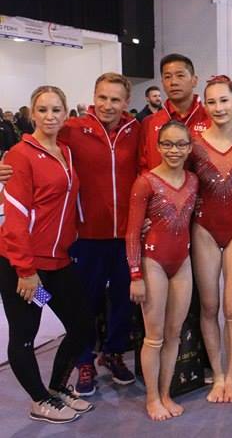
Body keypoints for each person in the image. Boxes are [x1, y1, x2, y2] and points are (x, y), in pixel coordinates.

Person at [0, 86, 93, 423]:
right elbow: (15, 216)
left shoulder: (65, 151)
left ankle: (56, 388)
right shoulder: (20, 155)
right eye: (42, 110)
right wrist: (25, 270)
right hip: (25, 269)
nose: (50, 116)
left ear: (66, 114)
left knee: (81, 325)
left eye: (56, 110)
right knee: (26, 333)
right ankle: (40, 400)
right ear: (32, 113)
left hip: (57, 264)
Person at [57, 73, 140, 396]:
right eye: (102, 97)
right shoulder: (72, 130)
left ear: (126, 102)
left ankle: (114, 352)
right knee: (85, 303)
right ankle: (83, 360)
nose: (108, 105)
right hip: (87, 236)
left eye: (115, 99)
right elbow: (40, 147)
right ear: (94, 97)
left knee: (123, 299)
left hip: (126, 236)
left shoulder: (135, 130)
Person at [187, 76, 232, 403]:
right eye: (211, 102)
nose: (218, 108)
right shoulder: (194, 144)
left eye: (224, 100)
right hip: (204, 228)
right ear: (204, 105)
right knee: (210, 306)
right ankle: (217, 374)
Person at [127, 120, 198, 421]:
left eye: (180, 144)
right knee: (154, 337)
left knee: (174, 334)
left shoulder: (193, 181)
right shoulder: (146, 182)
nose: (174, 150)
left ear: (190, 148)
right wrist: (135, 275)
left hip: (182, 262)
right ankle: (152, 398)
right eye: (167, 144)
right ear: (157, 146)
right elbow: (132, 233)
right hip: (153, 262)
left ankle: (166, 393)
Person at [139, 53, 210, 171]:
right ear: (162, 83)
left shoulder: (211, 120)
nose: (173, 82)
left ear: (194, 80)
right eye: (167, 77)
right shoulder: (149, 123)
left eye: (180, 75)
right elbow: (142, 167)